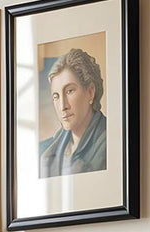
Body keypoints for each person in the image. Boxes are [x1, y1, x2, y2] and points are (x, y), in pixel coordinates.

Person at [39, 48, 107, 177]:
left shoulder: (111, 141)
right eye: (56, 96)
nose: (63, 106)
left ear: (90, 92)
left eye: (70, 91)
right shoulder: (45, 151)